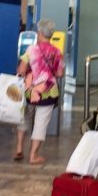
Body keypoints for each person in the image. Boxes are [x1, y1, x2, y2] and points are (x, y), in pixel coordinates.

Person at [14, 18, 63, 164]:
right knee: (41, 123)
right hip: (47, 91)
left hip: (30, 90)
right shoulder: (57, 51)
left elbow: (21, 70)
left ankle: (19, 148)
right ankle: (33, 156)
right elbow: (60, 74)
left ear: (40, 32)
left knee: (24, 118)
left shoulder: (31, 50)